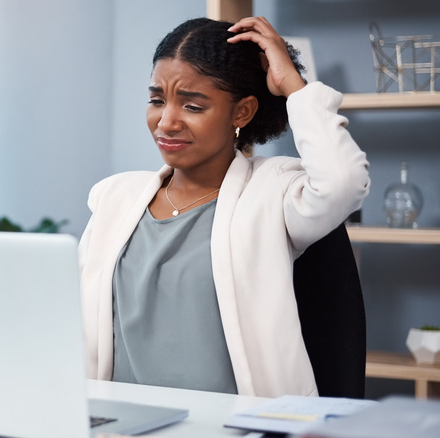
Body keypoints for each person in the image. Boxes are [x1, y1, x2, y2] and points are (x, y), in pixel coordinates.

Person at [78, 16, 370, 398]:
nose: (166, 122)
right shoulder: (113, 197)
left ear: (242, 113)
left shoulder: (273, 192)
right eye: (156, 100)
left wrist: (294, 88)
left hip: (234, 425)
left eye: (193, 106)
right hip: (122, 422)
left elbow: (344, 182)